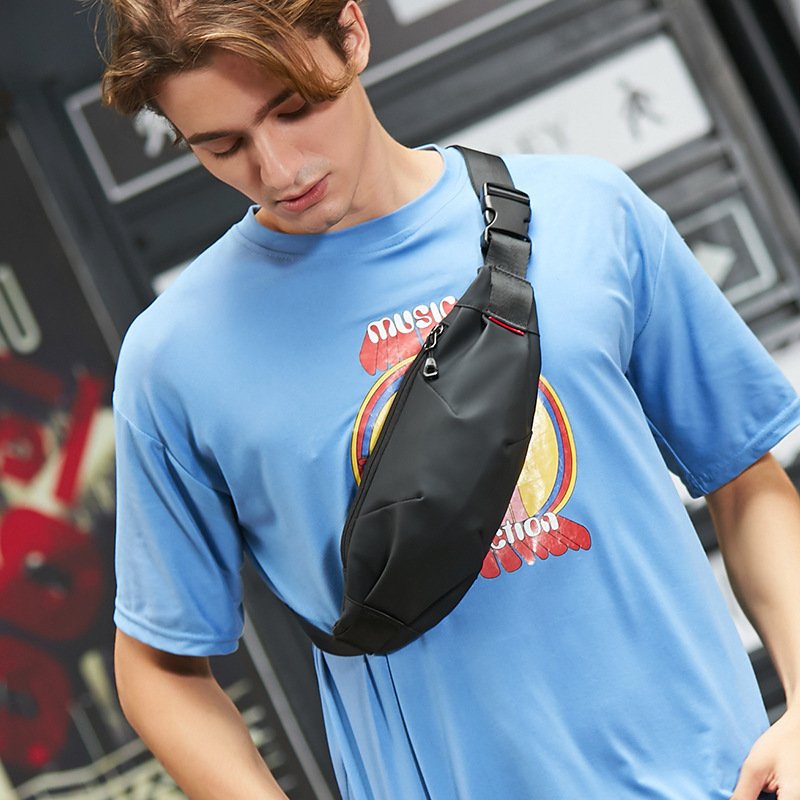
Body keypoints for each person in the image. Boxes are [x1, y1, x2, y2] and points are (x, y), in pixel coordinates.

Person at [101, 1, 800, 798]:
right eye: (222, 146)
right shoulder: (179, 358)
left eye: (295, 108)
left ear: (352, 33)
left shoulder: (589, 211)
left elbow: (746, 480)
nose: (279, 167)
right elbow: (157, 667)